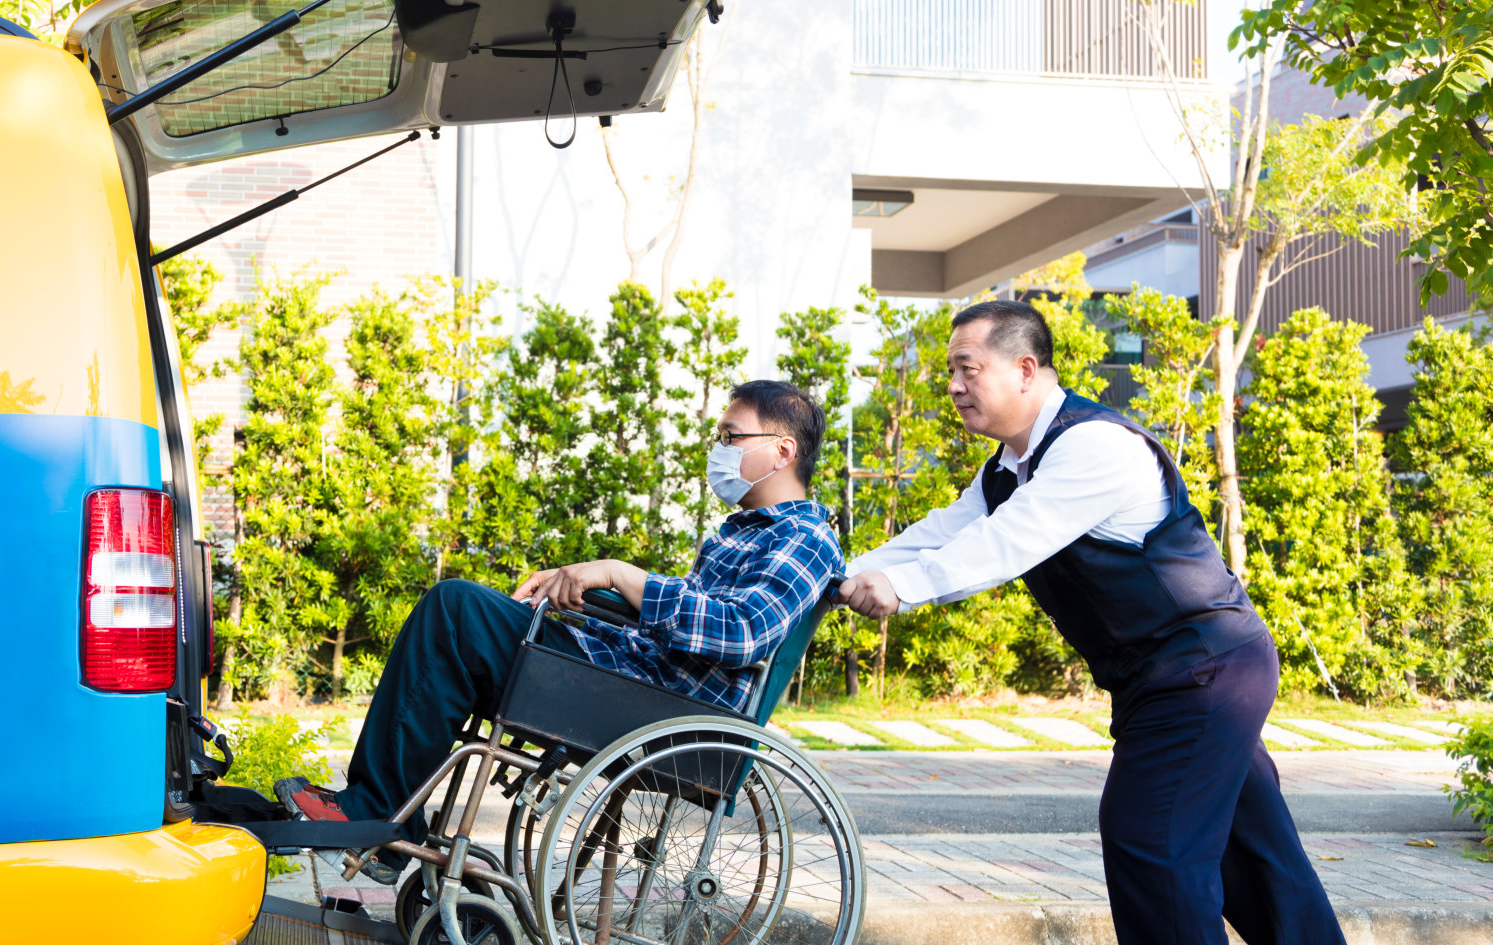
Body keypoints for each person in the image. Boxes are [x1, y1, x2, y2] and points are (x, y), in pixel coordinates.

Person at [837, 300, 1341, 945]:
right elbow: (942, 533)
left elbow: (1008, 543)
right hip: (1171, 676)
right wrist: (839, 577)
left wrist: (901, 588)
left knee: (1151, 846)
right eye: (950, 371)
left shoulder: (1095, 446)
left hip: (1203, 669)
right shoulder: (1006, 469)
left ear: (1025, 369)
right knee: (1258, 860)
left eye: (968, 368)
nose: (955, 387)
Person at [274, 379, 845, 883]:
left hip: (662, 710)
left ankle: (376, 813)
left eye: (730, 436)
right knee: (465, 622)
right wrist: (585, 583)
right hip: (635, 680)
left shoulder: (805, 541)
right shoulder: (743, 532)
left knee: (456, 611)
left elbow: (742, 632)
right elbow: (690, 614)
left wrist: (621, 575)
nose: (718, 450)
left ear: (782, 450)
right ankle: (389, 817)